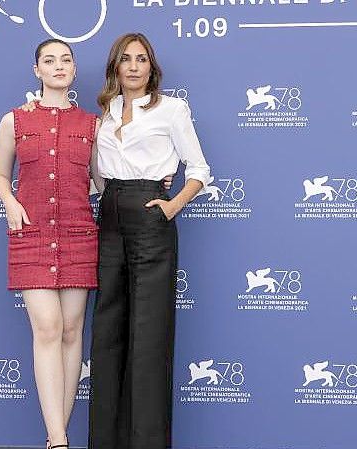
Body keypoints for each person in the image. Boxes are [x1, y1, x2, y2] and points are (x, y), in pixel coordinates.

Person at [88, 33, 210, 449]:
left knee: (149, 330)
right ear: (115, 67)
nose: (135, 66)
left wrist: (172, 205)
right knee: (107, 330)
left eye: (142, 59)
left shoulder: (172, 109)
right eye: (126, 59)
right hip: (110, 214)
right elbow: (97, 173)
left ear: (151, 67)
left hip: (150, 213)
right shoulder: (104, 112)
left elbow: (198, 168)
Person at [0, 39, 97, 449]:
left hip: (78, 234)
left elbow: (103, 179)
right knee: (48, 327)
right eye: (49, 61)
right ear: (36, 70)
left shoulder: (92, 125)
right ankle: (58, 439)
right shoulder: (13, 121)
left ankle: (58, 434)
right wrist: (10, 203)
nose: (58, 66)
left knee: (72, 331)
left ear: (73, 69)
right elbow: (0, 175)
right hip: (32, 234)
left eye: (65, 60)